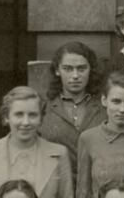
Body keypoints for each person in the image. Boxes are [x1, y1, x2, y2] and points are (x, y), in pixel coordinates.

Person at [41, 41, 108, 174]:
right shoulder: (44, 107)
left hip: (97, 183)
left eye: (81, 68)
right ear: (57, 70)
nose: (75, 75)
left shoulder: (104, 106)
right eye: (68, 69)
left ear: (91, 69)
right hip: (58, 183)